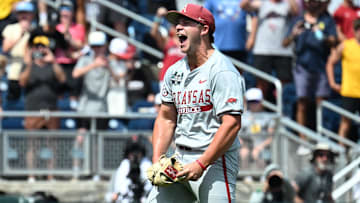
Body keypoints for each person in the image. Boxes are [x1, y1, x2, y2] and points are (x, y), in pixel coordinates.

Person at [146, 4, 245, 203]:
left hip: (215, 162)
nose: (178, 28)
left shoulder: (222, 71)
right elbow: (166, 118)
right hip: (180, 158)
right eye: (177, 24)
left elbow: (231, 123)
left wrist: (202, 163)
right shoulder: (174, 72)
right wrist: (158, 160)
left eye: (185, 23)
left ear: (204, 29)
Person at [282, 0, 337, 155]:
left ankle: (322, 136)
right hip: (302, 67)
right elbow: (284, 43)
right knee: (302, 102)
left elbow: (333, 40)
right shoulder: (298, 21)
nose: (312, 3)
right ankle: (303, 140)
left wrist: (319, 34)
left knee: (322, 103)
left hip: (320, 67)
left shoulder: (326, 20)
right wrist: (294, 34)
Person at [18, 33, 66, 182]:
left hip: (51, 109)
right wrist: (31, 62)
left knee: (51, 144)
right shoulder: (28, 66)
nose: (40, 50)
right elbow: (22, 82)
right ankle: (32, 174)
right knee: (33, 144)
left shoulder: (52, 65)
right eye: (37, 47)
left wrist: (53, 60)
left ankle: (50, 174)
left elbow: (62, 78)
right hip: (33, 109)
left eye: (43, 47)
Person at [240, 0, 298, 102]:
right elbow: (243, 5)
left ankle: (282, 109)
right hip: (262, 49)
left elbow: (296, 11)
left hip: (283, 51)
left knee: (284, 85)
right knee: (262, 83)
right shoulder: (262, 3)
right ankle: (259, 108)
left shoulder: (287, 4)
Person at [326, 18, 360, 147]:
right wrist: (332, 82)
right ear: (355, 31)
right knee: (345, 122)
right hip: (349, 91)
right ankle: (341, 150)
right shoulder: (346, 45)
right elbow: (330, 63)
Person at [55, 0, 86, 110]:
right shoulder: (56, 28)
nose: (65, 15)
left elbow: (80, 45)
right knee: (59, 91)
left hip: (73, 64)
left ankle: (74, 111)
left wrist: (68, 35)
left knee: (74, 91)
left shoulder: (78, 28)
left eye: (68, 11)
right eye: (63, 12)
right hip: (59, 64)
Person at [2, 1, 35, 101]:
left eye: (26, 12)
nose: (23, 15)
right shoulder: (11, 28)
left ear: (32, 14)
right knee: (13, 100)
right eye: (21, 13)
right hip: (14, 70)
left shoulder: (36, 29)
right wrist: (21, 34)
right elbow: (5, 48)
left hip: (31, 71)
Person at [105, 135, 152, 203]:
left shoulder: (146, 164)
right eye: (132, 151)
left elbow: (150, 187)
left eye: (137, 151)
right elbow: (115, 192)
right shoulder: (124, 165)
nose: (135, 154)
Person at [238, 88, 276, 172]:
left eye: (255, 101)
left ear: (261, 102)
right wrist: (243, 144)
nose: (253, 104)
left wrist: (260, 146)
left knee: (257, 153)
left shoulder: (268, 117)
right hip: (247, 144)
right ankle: (247, 176)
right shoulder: (243, 117)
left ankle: (262, 175)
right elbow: (238, 135)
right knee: (244, 153)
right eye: (250, 102)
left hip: (263, 146)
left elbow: (271, 137)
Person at [150, 6, 185, 88]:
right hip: (166, 79)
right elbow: (153, 33)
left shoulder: (187, 42)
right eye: (172, 25)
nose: (173, 27)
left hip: (182, 80)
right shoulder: (167, 41)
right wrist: (158, 17)